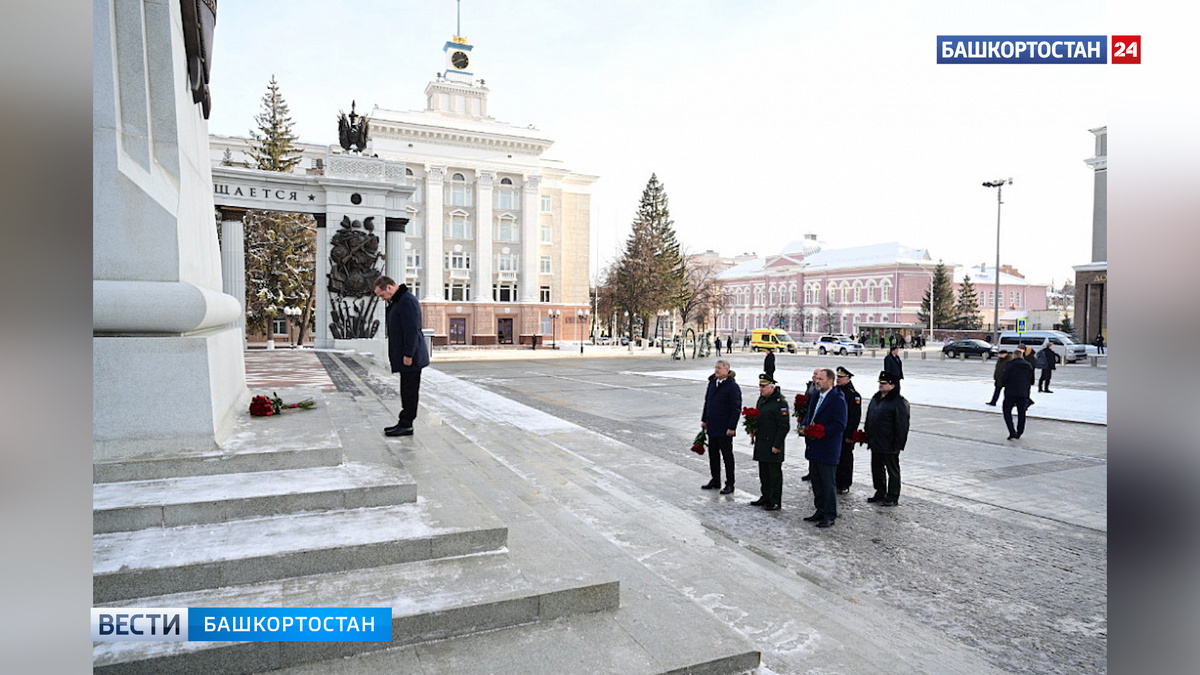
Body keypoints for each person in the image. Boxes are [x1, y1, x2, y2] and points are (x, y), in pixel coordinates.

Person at [373, 276, 430, 437]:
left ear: (390, 287)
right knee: (406, 389)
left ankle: (406, 425)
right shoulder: (399, 301)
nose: (382, 299)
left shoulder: (407, 301)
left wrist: (408, 354)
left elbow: (412, 329)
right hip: (407, 354)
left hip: (411, 355)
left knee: (410, 390)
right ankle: (404, 422)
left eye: (382, 295)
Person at [799, 368, 847, 528]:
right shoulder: (816, 396)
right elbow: (809, 415)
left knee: (827, 483)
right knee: (817, 481)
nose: (816, 381)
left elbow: (840, 425)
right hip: (814, 446)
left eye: (820, 379)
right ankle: (819, 509)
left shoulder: (838, 399)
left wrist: (821, 431)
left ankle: (829, 514)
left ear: (830, 381)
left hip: (828, 447)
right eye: (816, 378)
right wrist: (805, 425)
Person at [864, 370, 910, 506]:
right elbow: (869, 417)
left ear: (892, 386)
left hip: (890, 443)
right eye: (880, 383)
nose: (881, 385)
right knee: (877, 469)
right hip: (875, 441)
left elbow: (902, 425)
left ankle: (893, 495)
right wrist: (867, 433)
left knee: (892, 470)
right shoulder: (876, 398)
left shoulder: (899, 402)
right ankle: (880, 492)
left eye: (884, 383)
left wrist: (898, 444)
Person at [700, 359, 742, 494]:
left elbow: (735, 408)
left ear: (727, 370)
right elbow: (707, 403)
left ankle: (730, 483)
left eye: (719, 368)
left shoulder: (732, 387)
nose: (716, 370)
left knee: (727, 456)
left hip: (725, 428)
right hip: (712, 425)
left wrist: (732, 427)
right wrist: (704, 419)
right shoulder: (712, 383)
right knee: (713, 455)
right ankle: (715, 480)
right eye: (716, 368)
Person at [749, 374, 789, 511]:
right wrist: (752, 428)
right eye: (760, 386)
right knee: (764, 472)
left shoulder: (780, 403)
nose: (761, 389)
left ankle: (775, 500)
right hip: (762, 442)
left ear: (772, 387)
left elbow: (784, 426)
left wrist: (777, 445)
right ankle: (765, 496)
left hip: (773, 444)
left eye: (763, 386)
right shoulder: (762, 400)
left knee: (774, 474)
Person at [834, 366, 862, 495]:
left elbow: (855, 417)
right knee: (835, 457)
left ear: (848, 378)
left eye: (841, 377)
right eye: (837, 377)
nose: (838, 379)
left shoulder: (852, 394)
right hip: (835, 432)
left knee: (845, 458)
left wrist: (850, 434)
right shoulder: (835, 391)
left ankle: (845, 483)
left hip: (846, 433)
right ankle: (836, 481)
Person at [999, 346, 1035, 440]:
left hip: (1010, 392)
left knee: (1007, 411)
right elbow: (1032, 381)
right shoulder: (1028, 365)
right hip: (1023, 392)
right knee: (1021, 412)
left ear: (1014, 356)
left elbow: (1003, 378)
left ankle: (1012, 431)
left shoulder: (1010, 365)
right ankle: (1019, 432)